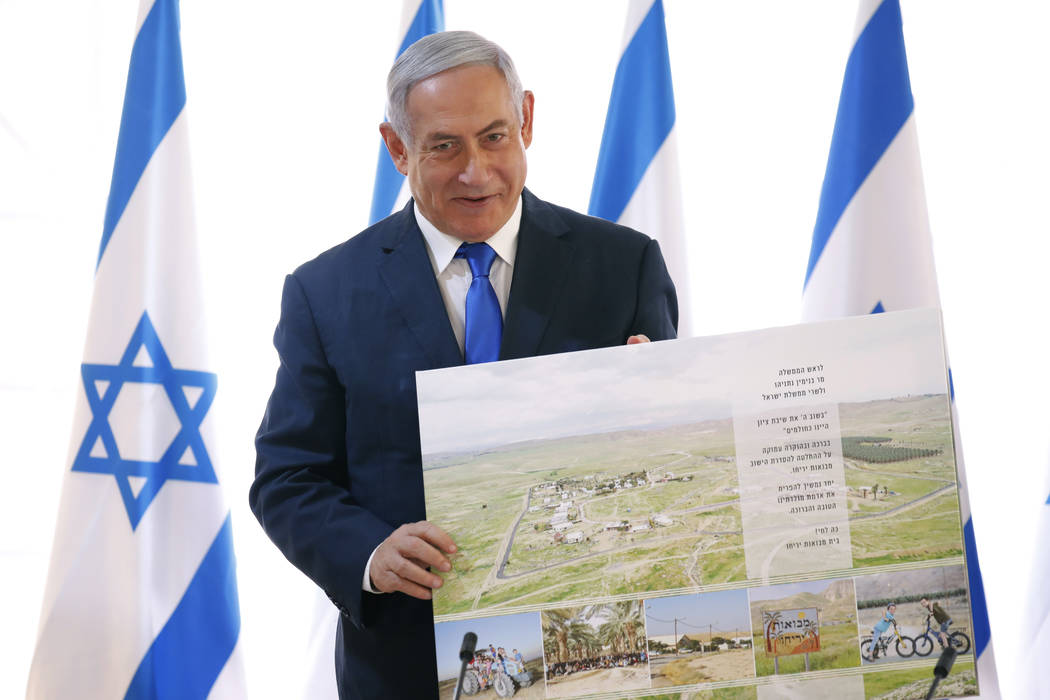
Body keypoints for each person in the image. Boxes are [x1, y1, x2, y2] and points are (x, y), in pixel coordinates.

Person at [249, 30, 677, 699]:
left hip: (595, 657)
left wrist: (669, 407)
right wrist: (370, 552)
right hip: (404, 666)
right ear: (397, 148)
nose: (476, 171)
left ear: (527, 119)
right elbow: (287, 476)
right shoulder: (324, 292)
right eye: (444, 146)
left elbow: (672, 463)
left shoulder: (624, 266)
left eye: (495, 137)